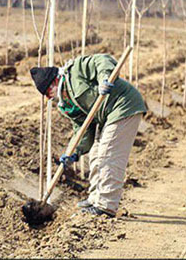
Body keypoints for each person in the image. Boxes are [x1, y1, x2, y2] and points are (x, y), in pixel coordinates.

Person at [30, 53, 147, 217]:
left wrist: (104, 79)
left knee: (108, 155)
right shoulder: (66, 104)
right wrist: (74, 152)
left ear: (55, 81)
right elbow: (82, 129)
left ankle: (106, 205)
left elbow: (102, 60)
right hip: (106, 117)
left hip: (123, 106)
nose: (49, 97)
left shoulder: (76, 70)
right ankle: (95, 198)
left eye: (48, 91)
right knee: (95, 155)